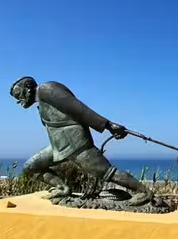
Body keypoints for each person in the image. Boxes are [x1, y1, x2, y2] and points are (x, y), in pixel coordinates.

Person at [9, 76, 153, 205]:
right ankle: (62, 188)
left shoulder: (46, 89)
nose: (20, 102)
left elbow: (78, 108)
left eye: (19, 96)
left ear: (28, 88)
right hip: (59, 147)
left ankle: (144, 192)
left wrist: (107, 125)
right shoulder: (40, 100)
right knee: (31, 166)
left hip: (76, 144)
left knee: (107, 172)